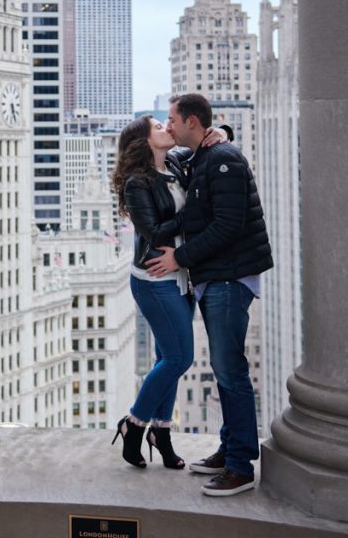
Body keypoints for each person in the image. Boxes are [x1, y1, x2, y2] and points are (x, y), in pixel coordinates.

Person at [146, 93, 273, 496]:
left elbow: (228, 226)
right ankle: (229, 448)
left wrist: (178, 257)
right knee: (224, 369)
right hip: (215, 276)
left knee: (230, 370)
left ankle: (239, 466)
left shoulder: (222, 160)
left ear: (193, 123)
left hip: (229, 279)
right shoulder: (203, 156)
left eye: (172, 120)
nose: (168, 127)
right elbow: (191, 205)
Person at [110, 115, 225, 469]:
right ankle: (134, 423)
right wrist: (192, 211)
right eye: (158, 127)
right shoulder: (136, 183)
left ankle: (161, 432)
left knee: (166, 360)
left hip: (181, 276)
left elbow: (203, 152)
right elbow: (155, 230)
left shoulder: (174, 163)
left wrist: (223, 133)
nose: (167, 129)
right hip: (154, 280)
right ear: (145, 142)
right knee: (178, 359)